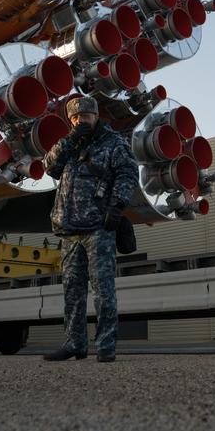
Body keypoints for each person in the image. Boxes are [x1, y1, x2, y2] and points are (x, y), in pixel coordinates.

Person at [41, 95, 138, 363]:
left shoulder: (114, 143)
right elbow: (49, 167)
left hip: (98, 226)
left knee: (103, 289)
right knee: (72, 290)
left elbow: (128, 174)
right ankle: (75, 344)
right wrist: (70, 139)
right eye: (74, 118)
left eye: (84, 116)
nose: (79, 121)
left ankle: (106, 346)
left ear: (96, 116)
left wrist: (116, 207)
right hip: (69, 228)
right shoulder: (70, 144)